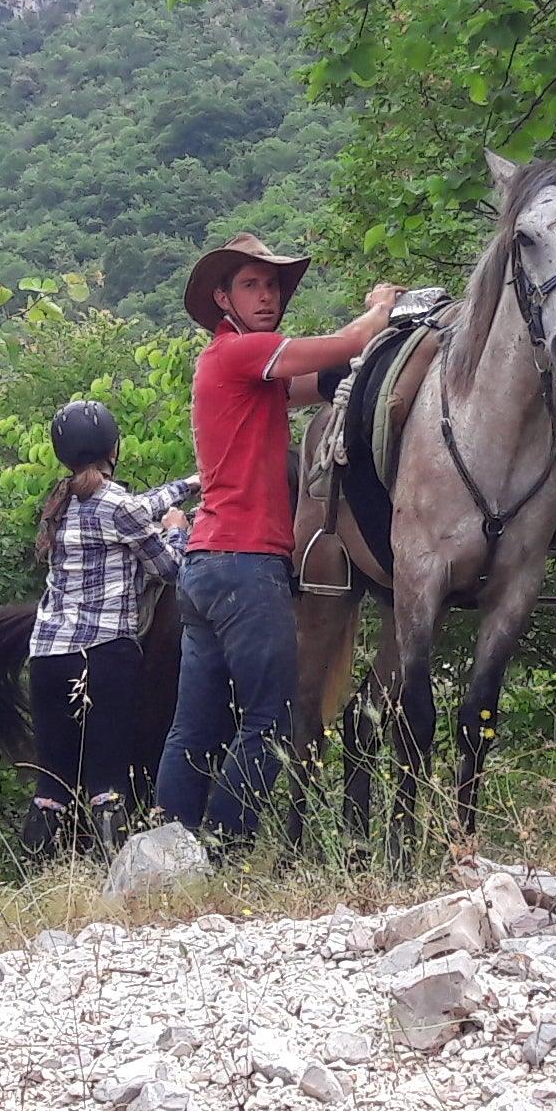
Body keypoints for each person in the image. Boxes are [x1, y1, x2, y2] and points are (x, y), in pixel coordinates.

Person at [158, 236, 398, 848]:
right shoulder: (241, 353)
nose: (266, 296)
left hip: (205, 565)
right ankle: (225, 846)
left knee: (195, 729)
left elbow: (328, 375)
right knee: (272, 719)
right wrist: (381, 309)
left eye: (272, 287)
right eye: (250, 285)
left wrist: (367, 349)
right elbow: (346, 346)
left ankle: (169, 850)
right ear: (222, 298)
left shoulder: (239, 371)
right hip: (245, 564)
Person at [23, 398, 189, 856]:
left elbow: (133, 506)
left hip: (48, 655)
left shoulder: (58, 500)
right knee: (108, 780)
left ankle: (35, 875)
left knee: (51, 784)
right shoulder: (118, 504)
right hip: (105, 655)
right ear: (113, 448)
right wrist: (176, 527)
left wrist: (185, 486)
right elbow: (169, 568)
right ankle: (112, 875)